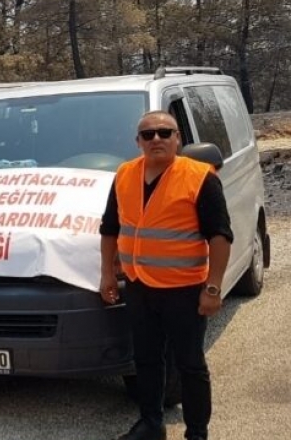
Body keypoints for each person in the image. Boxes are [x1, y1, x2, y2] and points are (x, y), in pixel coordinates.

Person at [99, 111, 232, 440]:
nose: (156, 139)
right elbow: (110, 229)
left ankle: (197, 432)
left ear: (178, 139)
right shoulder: (125, 174)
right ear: (138, 142)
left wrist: (213, 288)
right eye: (148, 134)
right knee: (145, 360)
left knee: (189, 364)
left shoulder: (200, 177)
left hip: (185, 290)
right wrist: (106, 274)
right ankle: (151, 423)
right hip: (140, 286)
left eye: (164, 132)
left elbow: (220, 236)